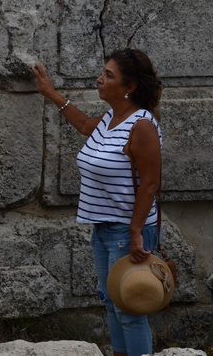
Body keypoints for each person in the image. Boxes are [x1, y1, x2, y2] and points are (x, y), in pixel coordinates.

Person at [31, 48, 164, 356]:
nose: (99, 79)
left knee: (129, 309)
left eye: (109, 75)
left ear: (129, 87)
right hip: (104, 228)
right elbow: (84, 126)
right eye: (103, 72)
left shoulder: (141, 125)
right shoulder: (112, 119)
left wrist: (135, 232)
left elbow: (150, 184)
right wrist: (52, 94)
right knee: (111, 302)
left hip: (127, 230)